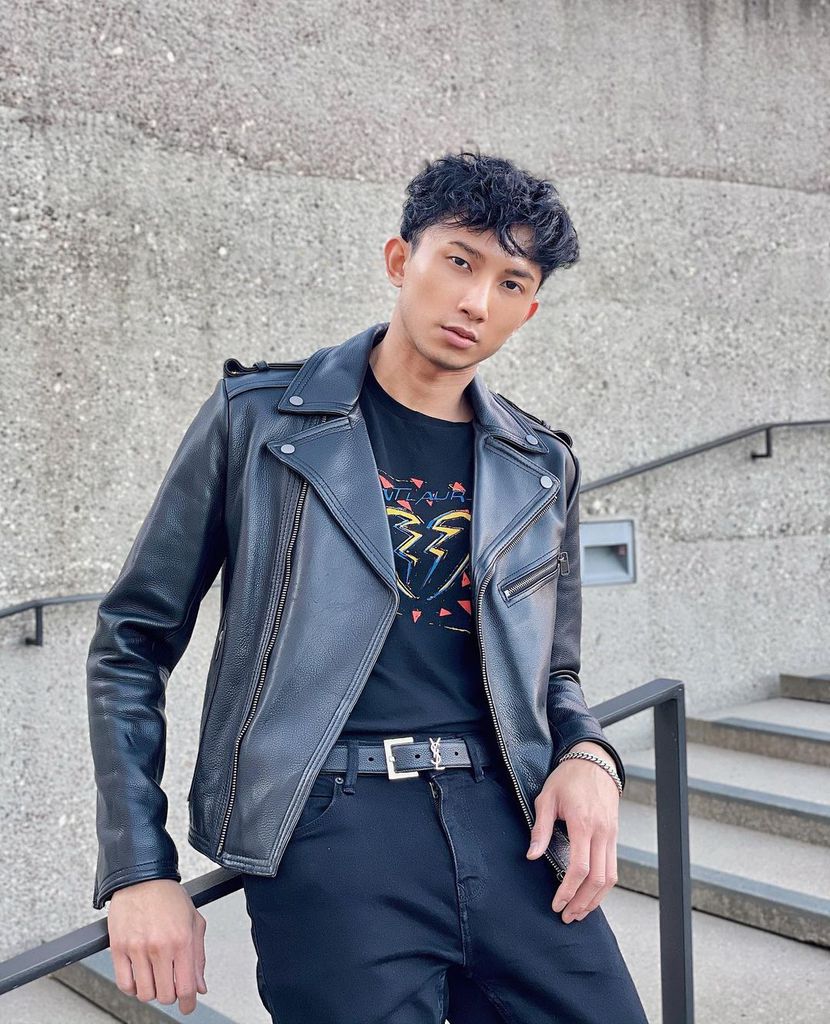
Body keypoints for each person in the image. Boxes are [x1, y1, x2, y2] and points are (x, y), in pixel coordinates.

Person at [88, 149, 648, 1023]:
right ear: (400, 260)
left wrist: (589, 755)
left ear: (528, 309)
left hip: (513, 827)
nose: (476, 300)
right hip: (331, 832)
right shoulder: (260, 422)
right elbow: (131, 642)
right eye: (459, 261)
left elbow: (556, 673)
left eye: (510, 282)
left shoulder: (541, 466)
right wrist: (138, 869)